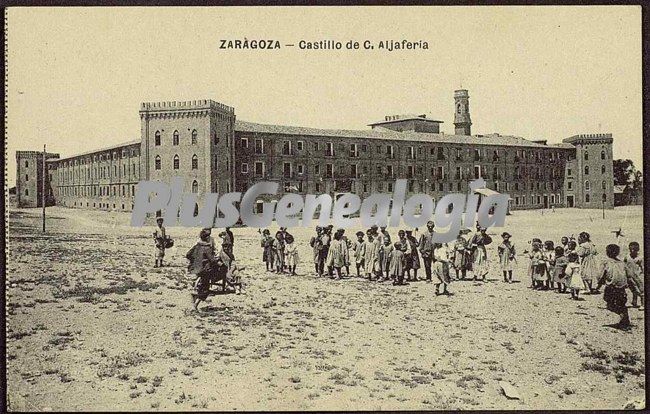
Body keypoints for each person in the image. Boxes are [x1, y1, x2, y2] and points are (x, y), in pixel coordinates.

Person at [596, 244, 631, 329]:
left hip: (611, 286)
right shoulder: (621, 263)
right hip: (621, 287)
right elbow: (629, 275)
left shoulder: (606, 262)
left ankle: (622, 315)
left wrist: (598, 285)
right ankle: (624, 319)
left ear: (607, 252)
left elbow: (601, 275)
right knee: (621, 303)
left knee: (609, 303)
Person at [186, 229, 219, 311]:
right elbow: (212, 260)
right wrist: (216, 261)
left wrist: (195, 261)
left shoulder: (197, 246)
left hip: (195, 269)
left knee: (198, 285)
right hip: (204, 270)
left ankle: (196, 296)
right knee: (205, 288)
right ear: (207, 238)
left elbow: (188, 254)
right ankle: (195, 305)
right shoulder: (207, 248)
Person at [623, 241, 644, 309]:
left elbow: (643, 267)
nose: (632, 251)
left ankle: (643, 304)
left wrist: (641, 274)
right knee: (633, 289)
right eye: (630, 249)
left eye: (634, 249)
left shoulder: (640, 258)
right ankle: (634, 301)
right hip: (629, 276)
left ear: (637, 250)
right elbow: (624, 265)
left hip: (637, 276)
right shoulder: (627, 256)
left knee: (641, 290)